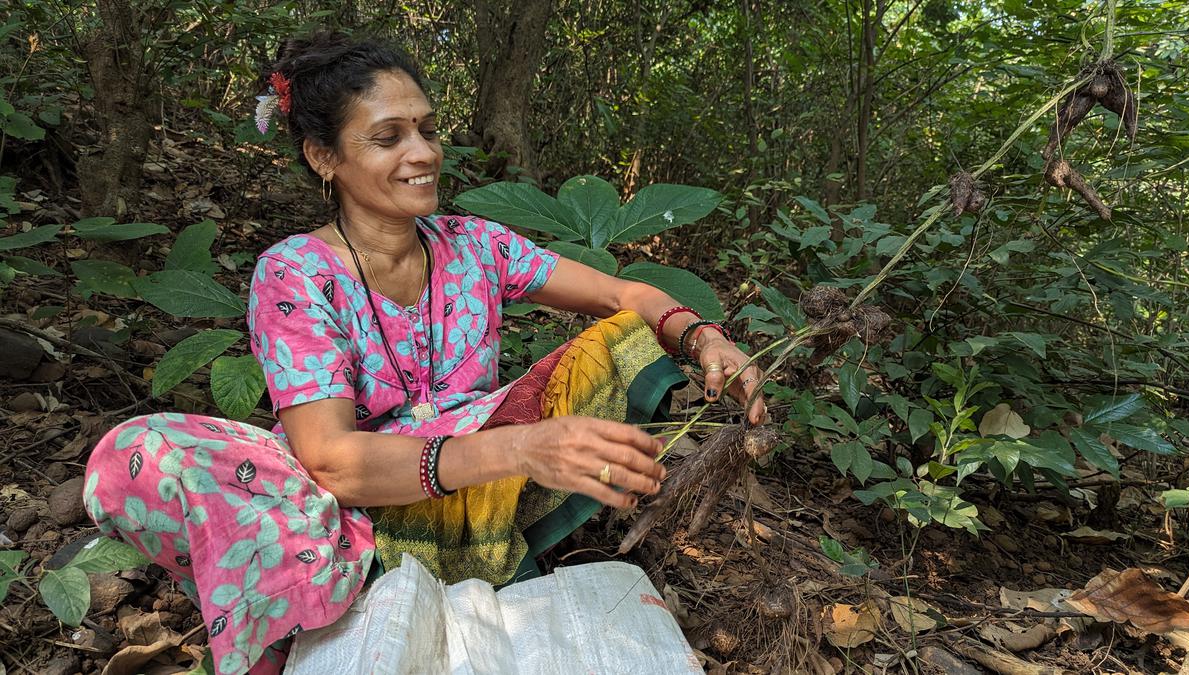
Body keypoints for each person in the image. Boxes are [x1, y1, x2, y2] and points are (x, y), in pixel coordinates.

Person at [82, 31, 765, 675]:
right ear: (324, 157)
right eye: (389, 137)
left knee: (630, 330)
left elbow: (627, 293)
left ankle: (473, 549)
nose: (423, 152)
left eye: (428, 130)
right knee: (133, 455)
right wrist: (525, 447)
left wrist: (702, 335)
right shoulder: (294, 273)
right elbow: (330, 460)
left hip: (481, 492)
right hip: (358, 509)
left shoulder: (477, 244)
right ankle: (338, 588)